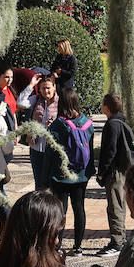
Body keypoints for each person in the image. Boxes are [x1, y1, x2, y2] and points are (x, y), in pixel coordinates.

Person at [48, 90, 97, 254]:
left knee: (60, 211)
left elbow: (51, 152)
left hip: (61, 175)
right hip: (81, 175)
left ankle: (57, 244)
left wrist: (46, 176)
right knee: (79, 208)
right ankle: (78, 246)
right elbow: (90, 149)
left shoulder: (57, 125)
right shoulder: (87, 124)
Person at [95, 93, 134, 257]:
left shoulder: (112, 125)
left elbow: (109, 151)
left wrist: (101, 173)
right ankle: (120, 239)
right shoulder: (121, 121)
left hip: (115, 172)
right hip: (123, 169)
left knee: (115, 206)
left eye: (102, 103)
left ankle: (117, 242)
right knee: (118, 204)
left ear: (107, 106)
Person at [29, 75, 60, 192]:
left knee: (52, 182)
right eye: (42, 88)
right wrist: (31, 85)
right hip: (36, 147)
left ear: (54, 87)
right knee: (39, 182)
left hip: (52, 148)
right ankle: (40, 209)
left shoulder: (60, 102)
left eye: (48, 88)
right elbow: (21, 103)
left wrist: (55, 122)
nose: (45, 91)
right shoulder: (36, 99)